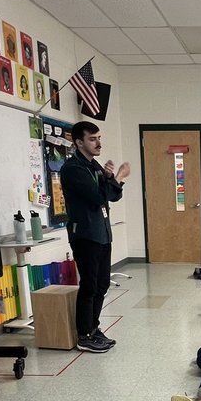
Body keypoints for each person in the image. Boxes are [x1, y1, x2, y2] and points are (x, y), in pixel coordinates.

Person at [58, 121, 128, 353]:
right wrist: (116, 177)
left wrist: (109, 177)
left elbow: (112, 196)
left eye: (99, 138)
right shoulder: (73, 169)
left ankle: (94, 327)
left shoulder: (93, 165)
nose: (99, 143)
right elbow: (98, 197)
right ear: (79, 142)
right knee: (89, 285)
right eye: (93, 139)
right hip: (86, 235)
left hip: (102, 233)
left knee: (102, 284)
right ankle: (84, 334)